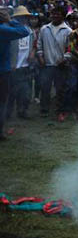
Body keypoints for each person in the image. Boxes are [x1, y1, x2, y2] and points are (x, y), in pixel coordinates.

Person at [36, 5, 71, 118]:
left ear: (63, 16)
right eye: (53, 13)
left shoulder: (68, 31)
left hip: (61, 65)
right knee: (45, 87)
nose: (55, 16)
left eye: (58, 14)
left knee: (60, 89)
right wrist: (40, 57)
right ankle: (44, 109)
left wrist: (65, 58)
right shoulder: (44, 29)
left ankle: (59, 109)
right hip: (46, 63)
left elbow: (70, 49)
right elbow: (39, 45)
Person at [1, 7, 31, 140]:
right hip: (3, 71)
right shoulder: (4, 29)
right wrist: (10, 20)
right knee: (2, 102)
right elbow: (23, 31)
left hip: (6, 69)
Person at [9, 6, 35, 119]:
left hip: (26, 65)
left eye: (24, 17)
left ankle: (22, 111)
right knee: (11, 92)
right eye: (20, 17)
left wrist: (32, 53)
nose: (22, 19)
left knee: (25, 91)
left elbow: (33, 45)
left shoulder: (30, 31)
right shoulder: (11, 30)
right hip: (13, 66)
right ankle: (7, 113)